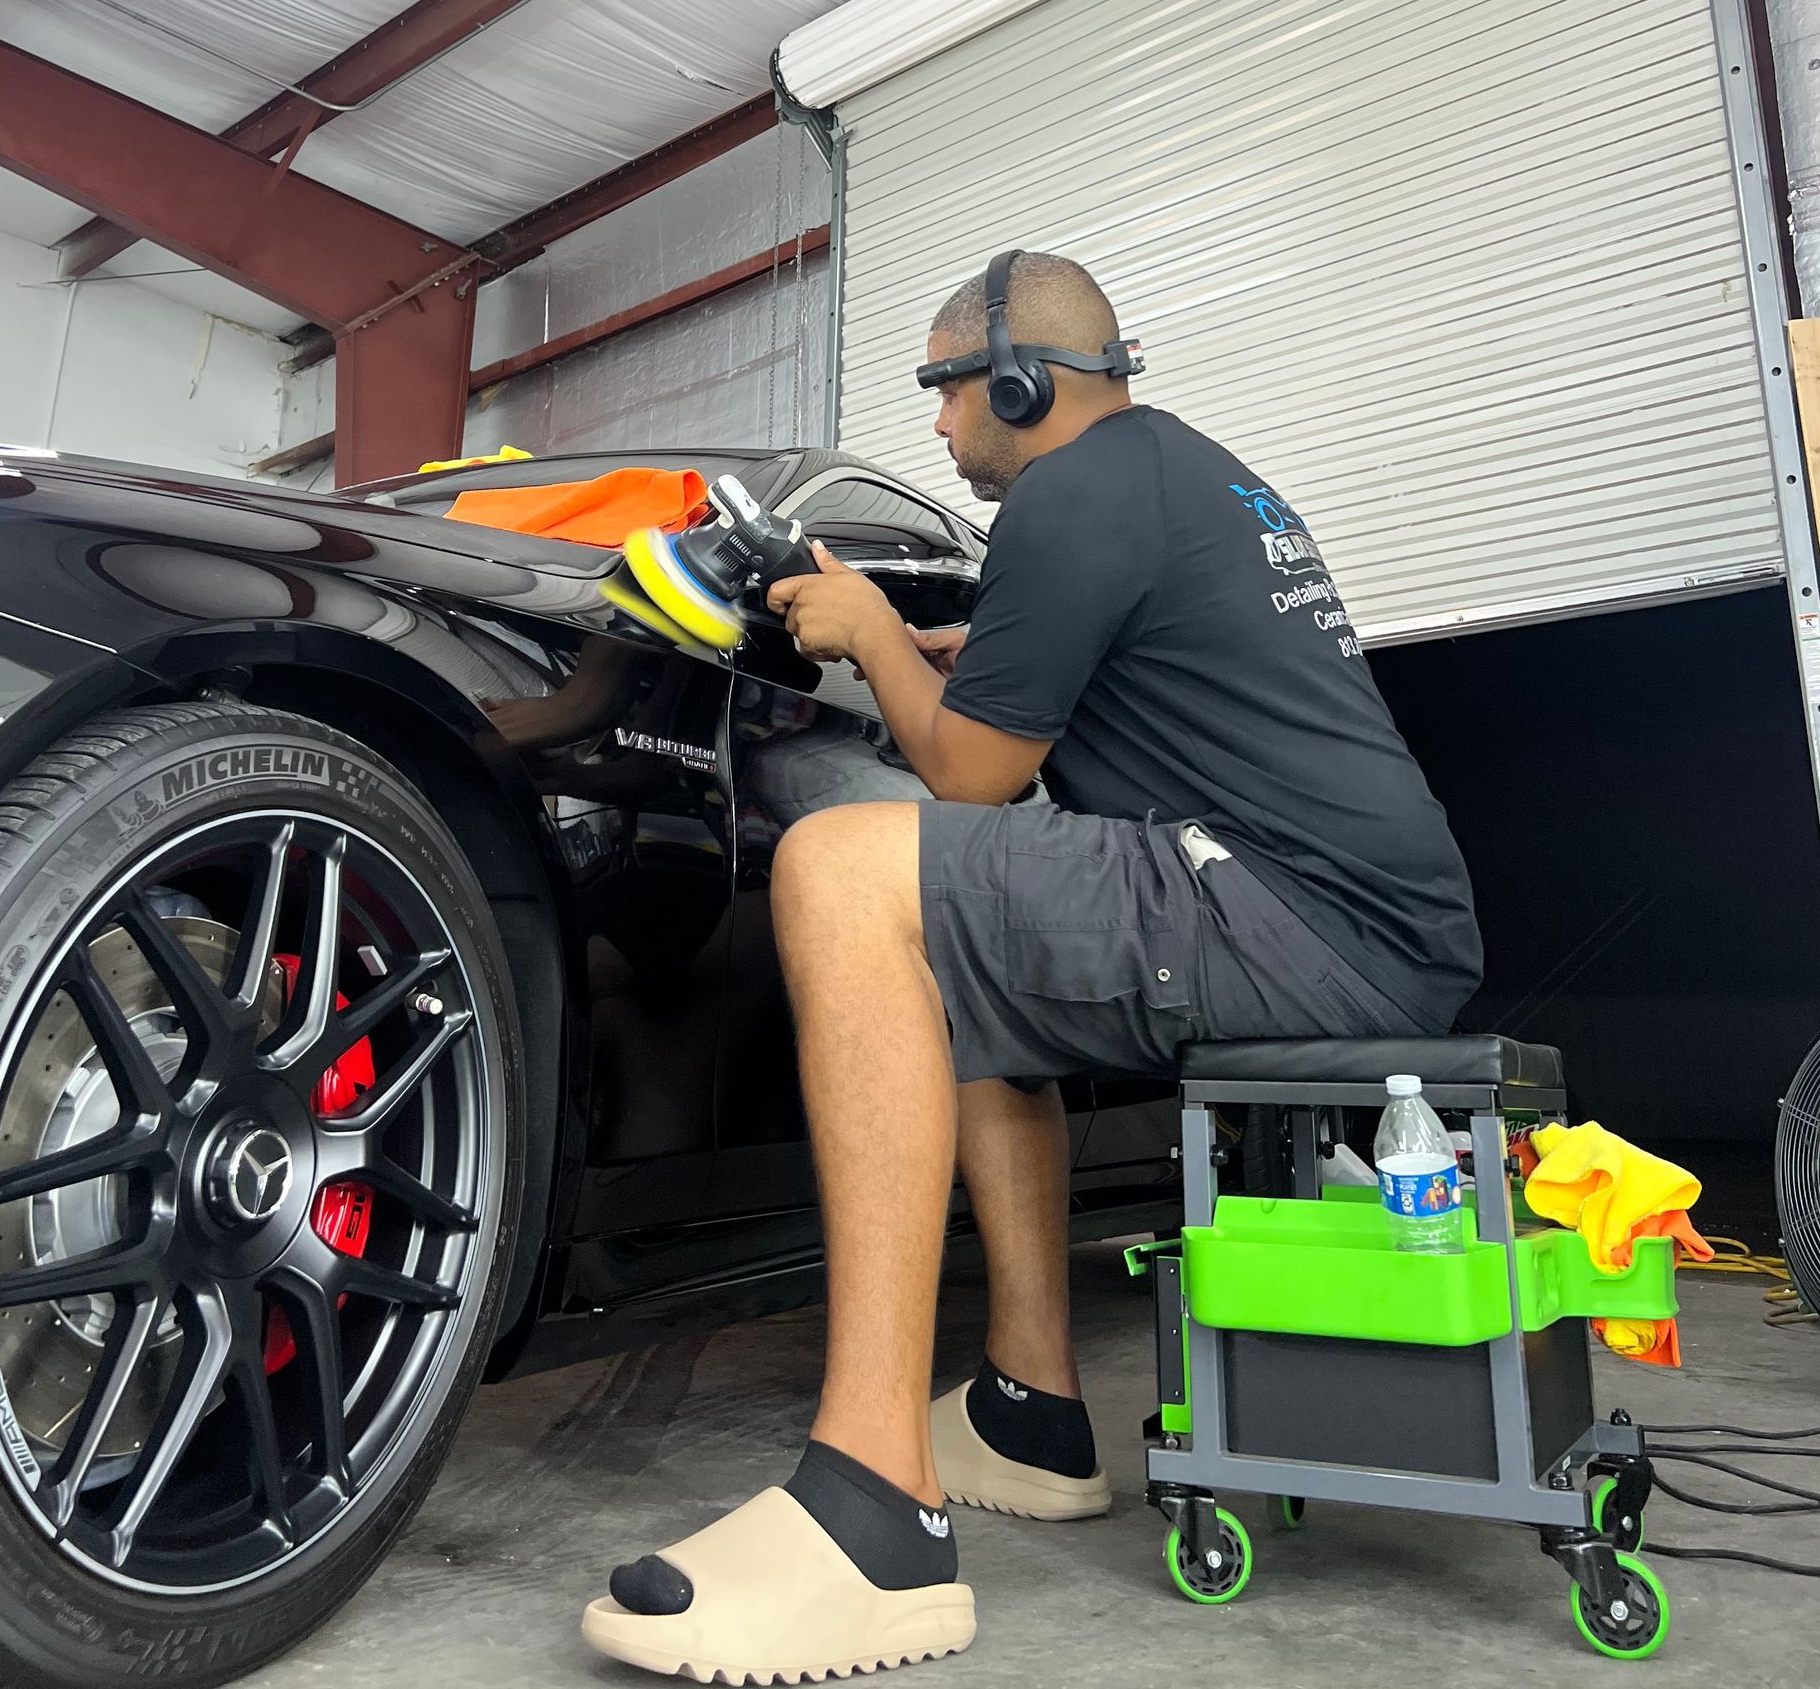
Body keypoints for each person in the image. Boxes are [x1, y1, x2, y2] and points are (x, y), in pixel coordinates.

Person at [581, 250, 1482, 1681]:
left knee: (840, 867)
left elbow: (974, 777)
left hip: (1295, 919)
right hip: (1357, 918)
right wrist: (961, 644)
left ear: (1016, 379)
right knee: (957, 966)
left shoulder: (1071, 494)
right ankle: (1027, 1411)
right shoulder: (1178, 474)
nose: (938, 429)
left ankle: (875, 1517)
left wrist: (875, 637)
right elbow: (1118, 680)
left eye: (943, 392)